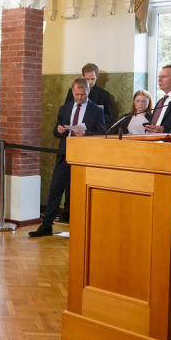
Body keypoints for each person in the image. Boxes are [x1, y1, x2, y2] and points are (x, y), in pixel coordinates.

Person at [30, 77, 107, 237]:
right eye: (77, 94)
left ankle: (83, 229)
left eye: (83, 95)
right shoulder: (65, 108)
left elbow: (103, 133)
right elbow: (55, 131)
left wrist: (86, 134)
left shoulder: (97, 110)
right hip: (65, 154)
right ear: (72, 91)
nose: (80, 98)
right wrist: (58, 131)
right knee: (55, 190)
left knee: (81, 193)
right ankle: (46, 226)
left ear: (89, 91)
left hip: (85, 157)